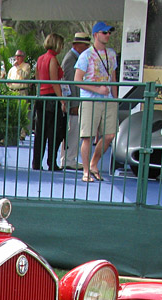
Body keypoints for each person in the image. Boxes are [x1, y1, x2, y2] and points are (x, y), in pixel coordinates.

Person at [73, 21, 118, 183]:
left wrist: (115, 98)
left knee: (110, 135)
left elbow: (113, 77)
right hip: (90, 100)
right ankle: (85, 171)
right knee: (87, 136)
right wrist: (97, 89)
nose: (107, 35)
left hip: (108, 101)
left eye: (109, 33)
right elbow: (77, 80)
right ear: (96, 35)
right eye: (104, 32)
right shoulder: (86, 55)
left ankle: (94, 164)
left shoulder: (111, 54)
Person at [31, 33, 66, 172]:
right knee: (54, 132)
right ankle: (52, 161)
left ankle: (36, 162)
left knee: (40, 132)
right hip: (51, 97)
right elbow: (54, 81)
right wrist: (62, 99)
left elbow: (38, 78)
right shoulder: (52, 59)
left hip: (41, 97)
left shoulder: (40, 59)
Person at [58, 32, 89, 169]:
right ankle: (68, 159)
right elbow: (69, 83)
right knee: (72, 131)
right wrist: (74, 103)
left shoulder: (73, 58)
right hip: (73, 103)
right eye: (85, 45)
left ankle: (69, 158)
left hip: (74, 101)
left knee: (73, 131)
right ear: (77, 45)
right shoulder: (71, 59)